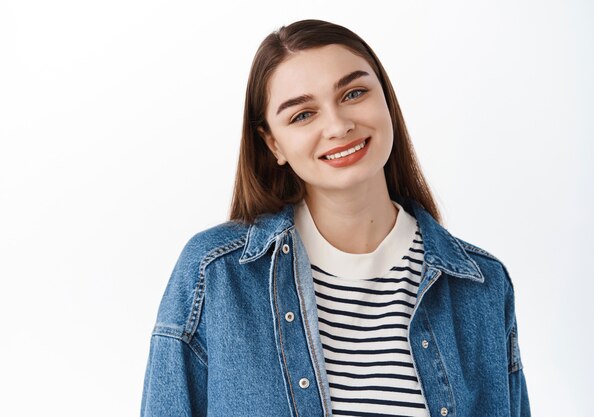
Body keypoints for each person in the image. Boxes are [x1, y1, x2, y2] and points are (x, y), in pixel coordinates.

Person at [140, 19, 530, 417]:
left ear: (386, 100)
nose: (338, 125)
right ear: (274, 143)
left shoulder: (480, 285)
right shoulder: (215, 275)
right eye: (302, 115)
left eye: (354, 93)